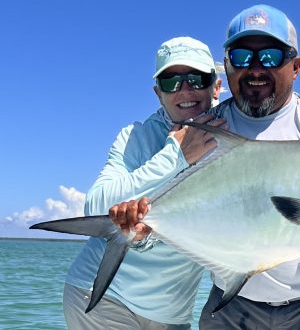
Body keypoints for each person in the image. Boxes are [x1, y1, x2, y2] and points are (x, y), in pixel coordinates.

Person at [114, 4, 300, 329]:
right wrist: (140, 233)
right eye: (241, 57)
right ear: (226, 65)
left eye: (270, 56)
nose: (255, 68)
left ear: (295, 67)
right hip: (231, 306)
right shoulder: (205, 129)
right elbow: (168, 212)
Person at [62, 36, 224, 329]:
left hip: (172, 315)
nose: (184, 90)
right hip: (101, 298)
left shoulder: (234, 136)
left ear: (216, 86)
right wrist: (175, 156)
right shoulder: (134, 137)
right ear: (157, 93)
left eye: (196, 79)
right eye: (171, 82)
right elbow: (95, 205)